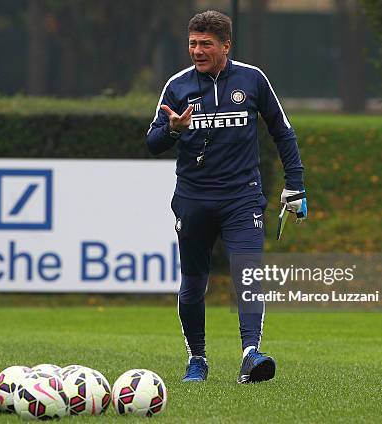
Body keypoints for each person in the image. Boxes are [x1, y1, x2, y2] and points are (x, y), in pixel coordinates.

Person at [146, 10, 307, 384]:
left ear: (226, 45)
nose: (197, 51)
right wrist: (172, 130)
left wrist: (295, 183)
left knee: (247, 275)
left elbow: (283, 132)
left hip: (242, 198)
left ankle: (251, 355)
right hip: (194, 199)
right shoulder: (176, 86)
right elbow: (152, 143)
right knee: (193, 283)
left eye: (206, 44)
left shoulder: (252, 79)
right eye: (192, 43)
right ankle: (197, 360)